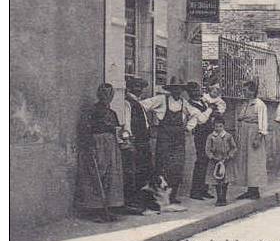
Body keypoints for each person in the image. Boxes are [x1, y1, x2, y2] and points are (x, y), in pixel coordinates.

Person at [151, 76, 212, 205]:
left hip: (179, 140)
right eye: (174, 89)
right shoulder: (162, 99)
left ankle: (172, 197)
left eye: (179, 89)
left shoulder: (185, 103)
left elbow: (198, 117)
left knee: (177, 167)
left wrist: (188, 127)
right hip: (164, 139)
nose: (177, 91)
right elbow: (143, 106)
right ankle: (159, 198)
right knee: (162, 166)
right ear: (171, 89)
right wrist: (149, 123)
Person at [75, 84, 126, 221]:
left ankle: (108, 208)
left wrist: (120, 142)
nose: (107, 97)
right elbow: (85, 129)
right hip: (97, 144)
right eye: (104, 94)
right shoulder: (92, 111)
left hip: (111, 145)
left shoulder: (112, 113)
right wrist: (89, 145)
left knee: (111, 176)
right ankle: (96, 210)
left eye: (110, 94)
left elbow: (116, 130)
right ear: (99, 95)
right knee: (97, 175)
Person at [187, 80, 223, 201]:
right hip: (200, 135)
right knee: (201, 161)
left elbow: (214, 110)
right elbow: (201, 119)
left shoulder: (203, 101)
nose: (196, 92)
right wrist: (210, 110)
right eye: (193, 90)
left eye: (197, 89)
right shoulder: (190, 105)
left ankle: (204, 189)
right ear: (189, 93)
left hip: (208, 133)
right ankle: (195, 191)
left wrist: (214, 111)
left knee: (207, 161)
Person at [124, 76, 156, 208]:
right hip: (136, 141)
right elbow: (127, 123)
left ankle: (144, 201)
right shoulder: (128, 103)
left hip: (144, 141)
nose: (139, 90)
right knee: (136, 171)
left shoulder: (138, 102)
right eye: (136, 87)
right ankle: (135, 201)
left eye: (140, 87)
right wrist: (129, 138)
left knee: (145, 171)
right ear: (130, 88)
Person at [234, 80, 268, 200]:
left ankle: (255, 190)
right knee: (245, 162)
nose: (244, 92)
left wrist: (258, 137)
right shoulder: (246, 103)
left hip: (253, 135)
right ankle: (249, 189)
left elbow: (263, 123)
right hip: (244, 135)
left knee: (254, 162)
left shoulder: (259, 104)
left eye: (246, 90)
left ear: (253, 91)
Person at [204, 116, 237, 206]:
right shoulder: (211, 137)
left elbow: (233, 148)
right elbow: (207, 149)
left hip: (226, 161)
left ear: (223, 126)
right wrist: (212, 157)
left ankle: (224, 197)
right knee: (216, 180)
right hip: (215, 161)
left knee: (225, 180)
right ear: (213, 127)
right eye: (216, 126)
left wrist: (229, 156)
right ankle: (219, 198)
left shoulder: (228, 136)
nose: (218, 128)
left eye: (220, 126)